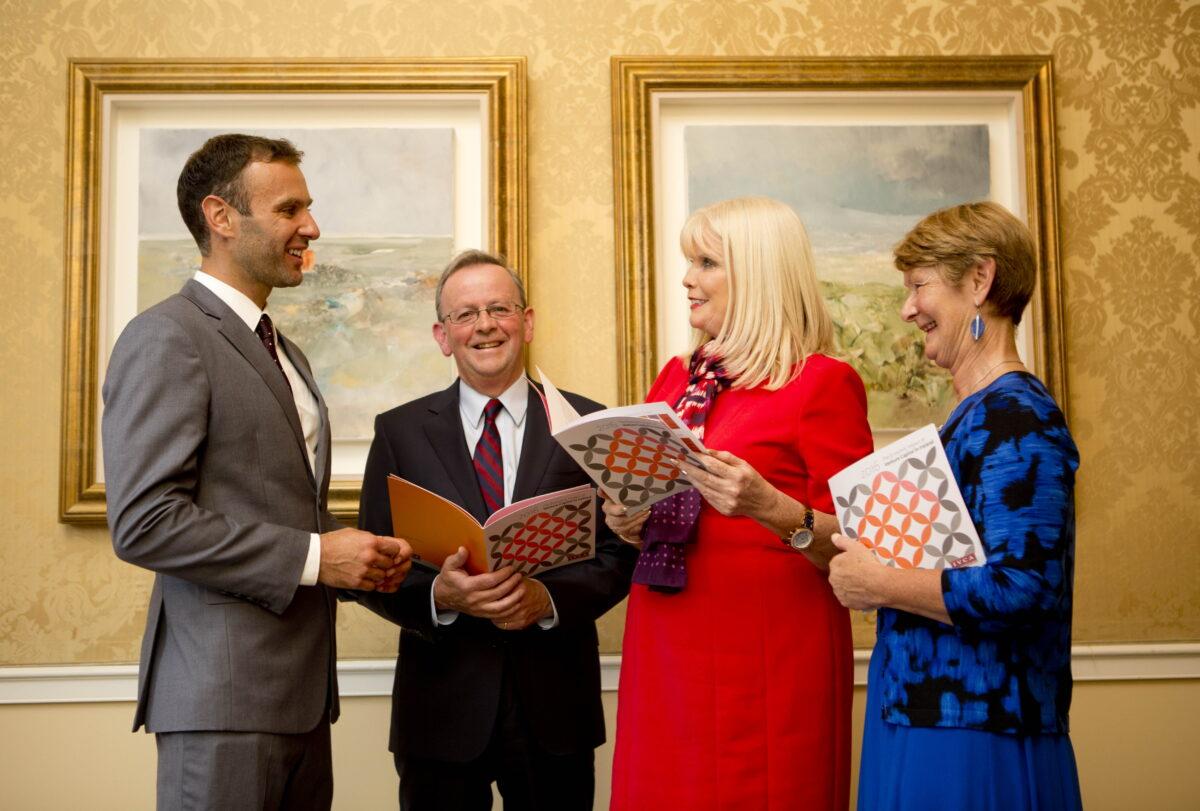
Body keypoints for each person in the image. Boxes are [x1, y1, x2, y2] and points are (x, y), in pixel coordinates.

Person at [103, 133, 412, 810]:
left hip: (301, 700)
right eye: (289, 209)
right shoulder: (166, 337)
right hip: (221, 702)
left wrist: (367, 559)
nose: (312, 227)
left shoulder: (285, 351)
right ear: (220, 216)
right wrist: (316, 555)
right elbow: (143, 522)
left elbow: (283, 512)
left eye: (308, 208)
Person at [604, 196, 874, 809]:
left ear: (756, 274)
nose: (687, 278)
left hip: (766, 653)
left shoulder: (822, 383)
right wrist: (627, 519)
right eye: (688, 261)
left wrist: (767, 506)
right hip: (667, 639)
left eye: (706, 262)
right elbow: (658, 504)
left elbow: (862, 548)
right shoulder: (679, 378)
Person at [354, 250, 638, 810]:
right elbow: (371, 564)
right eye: (465, 315)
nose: (484, 325)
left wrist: (548, 599)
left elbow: (620, 553)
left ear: (526, 322)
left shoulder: (586, 423)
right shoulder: (400, 432)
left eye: (498, 309)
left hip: (556, 707)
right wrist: (440, 595)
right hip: (439, 708)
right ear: (443, 335)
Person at [828, 201, 1082, 810]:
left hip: (978, 734)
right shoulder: (975, 415)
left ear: (979, 281)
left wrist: (880, 582)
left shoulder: (1018, 417)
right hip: (927, 715)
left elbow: (1025, 590)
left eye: (919, 286)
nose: (906, 308)